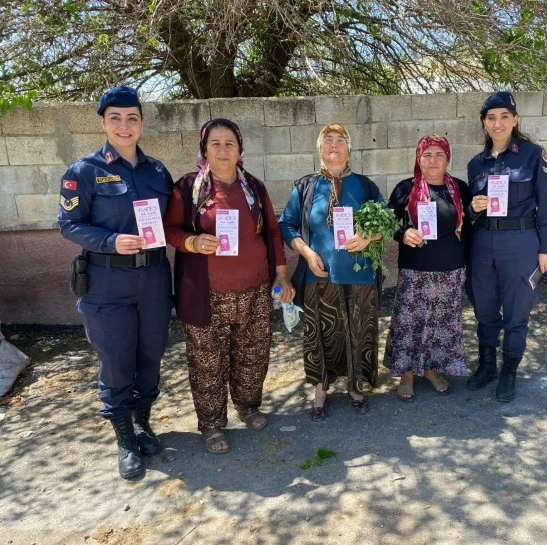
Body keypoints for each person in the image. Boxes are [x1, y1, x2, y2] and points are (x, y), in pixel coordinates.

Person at [57, 86, 173, 480]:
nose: (125, 126)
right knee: (116, 358)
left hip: (154, 276)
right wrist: (109, 241)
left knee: (151, 353)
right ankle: (124, 437)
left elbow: (171, 222)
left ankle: (142, 422)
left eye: (132, 118)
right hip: (108, 279)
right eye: (116, 118)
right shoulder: (83, 171)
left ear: (141, 122)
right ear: (104, 122)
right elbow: (68, 224)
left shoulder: (157, 171)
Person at [163, 118, 293, 454]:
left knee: (252, 355)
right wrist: (193, 242)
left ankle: (248, 407)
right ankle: (211, 424)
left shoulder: (254, 187)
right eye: (215, 144)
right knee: (207, 361)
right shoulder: (189, 188)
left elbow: (273, 233)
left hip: (253, 289)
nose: (223, 150)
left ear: (240, 150)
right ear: (204, 149)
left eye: (229, 143)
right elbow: (170, 230)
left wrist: (281, 274)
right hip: (206, 293)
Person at [278, 124, 386, 421]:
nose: (334, 144)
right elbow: (285, 225)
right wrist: (307, 252)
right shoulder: (305, 186)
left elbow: (388, 223)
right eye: (328, 140)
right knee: (320, 333)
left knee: (356, 330)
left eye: (341, 140)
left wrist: (368, 237)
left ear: (349, 149)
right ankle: (321, 388)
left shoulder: (365, 186)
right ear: (320, 149)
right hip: (319, 274)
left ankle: (354, 386)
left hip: (360, 274)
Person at [466, 91, 547, 402]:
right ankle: (487, 365)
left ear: (515, 120)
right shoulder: (475, 163)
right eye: (491, 117)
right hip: (483, 243)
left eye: (505, 116)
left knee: (517, 310)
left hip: (520, 242)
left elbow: (546, 205)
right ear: (484, 123)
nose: (498, 123)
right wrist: (473, 208)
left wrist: (546, 248)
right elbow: (468, 214)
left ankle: (509, 370)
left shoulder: (532, 154)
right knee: (485, 307)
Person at [384, 135, 472, 401]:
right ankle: (408, 373)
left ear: (448, 158)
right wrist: (402, 233)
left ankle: (432, 369)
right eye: (426, 155)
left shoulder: (459, 188)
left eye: (439, 154)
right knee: (409, 323)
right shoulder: (406, 188)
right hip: (415, 271)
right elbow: (387, 222)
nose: (433, 160)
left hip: (451, 270)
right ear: (418, 159)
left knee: (440, 324)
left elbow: (469, 225)